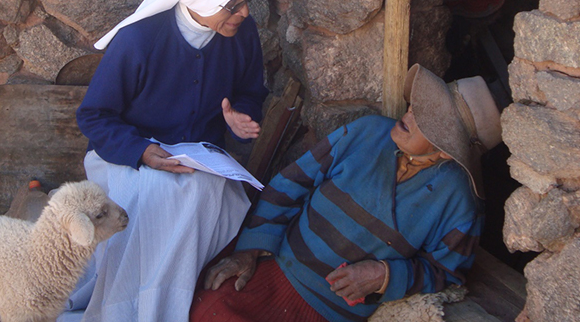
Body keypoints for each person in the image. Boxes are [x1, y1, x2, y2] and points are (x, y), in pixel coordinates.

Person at [57, 0, 268, 322]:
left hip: (199, 160)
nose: (244, 11)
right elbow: (94, 115)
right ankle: (128, 307)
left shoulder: (243, 35)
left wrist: (240, 117)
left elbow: (251, 93)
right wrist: (142, 151)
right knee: (155, 194)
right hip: (123, 155)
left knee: (204, 191)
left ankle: (167, 303)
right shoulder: (140, 39)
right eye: (233, 4)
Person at [190, 63, 503, 322]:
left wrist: (383, 275)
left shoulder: (461, 204)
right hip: (275, 266)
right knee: (207, 309)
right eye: (414, 108)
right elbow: (288, 184)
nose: (407, 116)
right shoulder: (368, 131)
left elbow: (446, 274)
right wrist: (250, 249)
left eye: (425, 120)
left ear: (445, 151)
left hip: (330, 313)